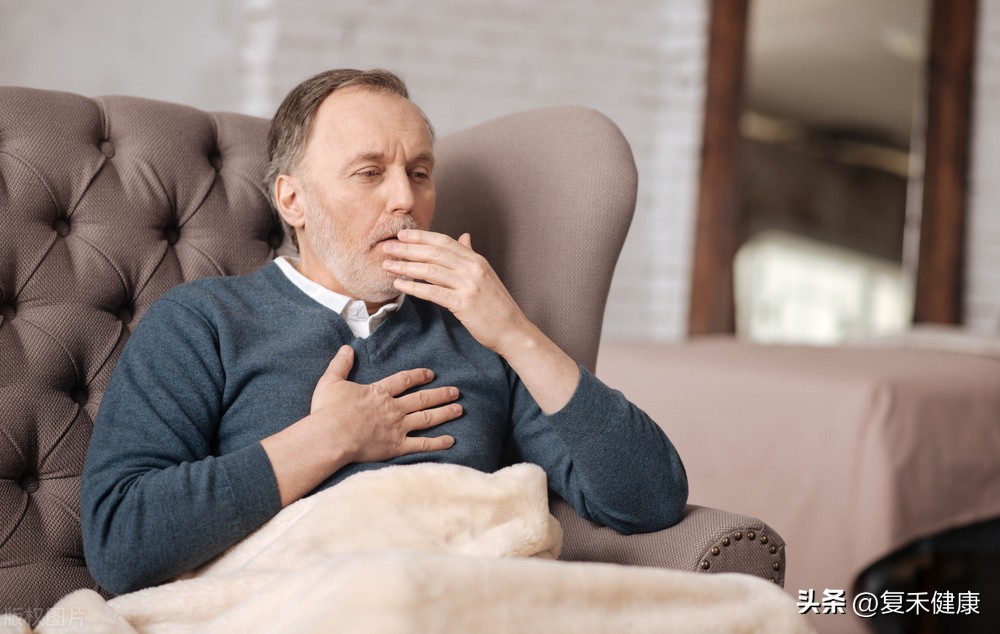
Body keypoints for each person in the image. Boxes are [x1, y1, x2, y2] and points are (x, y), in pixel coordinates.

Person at [81, 68, 688, 595]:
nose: (405, 198)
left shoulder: (480, 334)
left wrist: (515, 334)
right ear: (293, 200)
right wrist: (328, 440)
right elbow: (120, 540)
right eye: (369, 173)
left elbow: (648, 500)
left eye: (419, 173)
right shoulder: (202, 320)